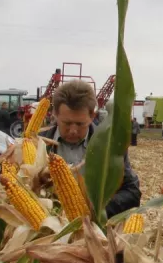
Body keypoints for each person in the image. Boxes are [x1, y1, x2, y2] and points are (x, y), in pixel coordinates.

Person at [40, 80, 141, 216]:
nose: (73, 130)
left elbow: (132, 193)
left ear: (92, 116)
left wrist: (96, 211)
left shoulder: (110, 147)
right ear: (55, 114)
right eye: (67, 123)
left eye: (80, 124)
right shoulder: (37, 144)